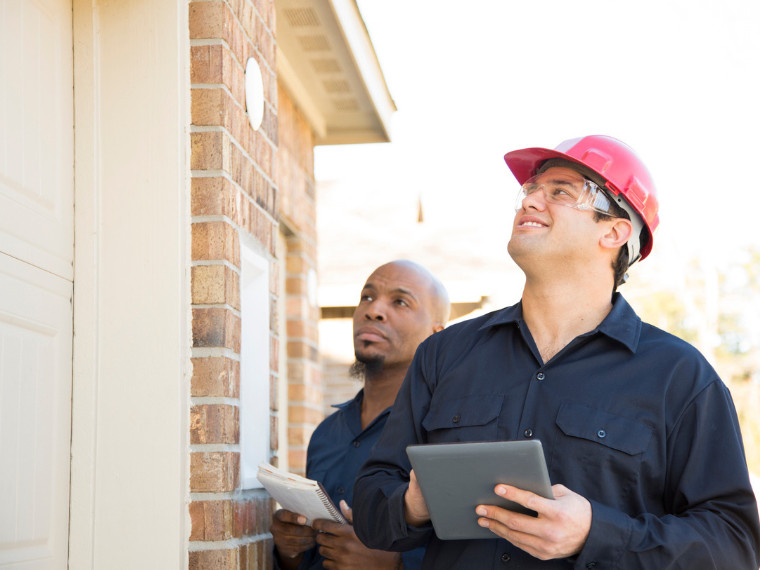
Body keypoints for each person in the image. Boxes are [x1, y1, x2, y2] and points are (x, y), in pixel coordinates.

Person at [352, 135, 760, 569]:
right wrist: (413, 503)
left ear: (615, 231)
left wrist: (595, 533)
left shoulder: (679, 376)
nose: (529, 202)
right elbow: (373, 502)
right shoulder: (443, 355)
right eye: (529, 191)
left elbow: (734, 545)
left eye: (560, 191)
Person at [271, 259, 450, 570]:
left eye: (400, 302)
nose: (374, 310)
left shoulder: (446, 433)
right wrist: (290, 551)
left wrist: (394, 564)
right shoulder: (327, 434)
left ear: (435, 334)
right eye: (367, 297)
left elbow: (474, 546)